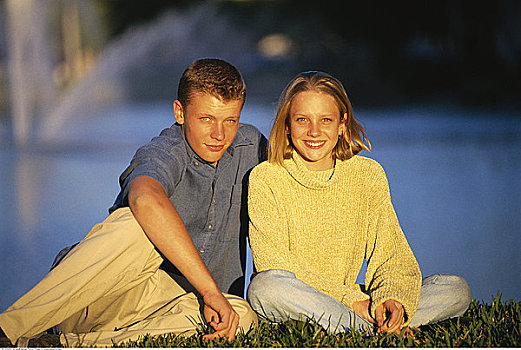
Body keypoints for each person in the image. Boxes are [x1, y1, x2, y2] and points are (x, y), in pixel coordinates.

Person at [0, 58, 266, 347]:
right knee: (134, 225)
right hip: (100, 297)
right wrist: (210, 290)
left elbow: (300, 157)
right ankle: (8, 330)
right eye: (206, 119)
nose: (219, 134)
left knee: (243, 317)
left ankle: (65, 345)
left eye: (230, 120)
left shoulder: (250, 146)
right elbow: (145, 199)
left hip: (173, 308)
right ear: (180, 113)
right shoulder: (164, 150)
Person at [246, 71, 470, 335]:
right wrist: (353, 302)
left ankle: (366, 325)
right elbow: (274, 266)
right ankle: (375, 330)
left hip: (351, 300)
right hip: (298, 298)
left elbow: (391, 255)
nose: (314, 131)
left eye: (325, 120)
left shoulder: (367, 175)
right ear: (287, 124)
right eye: (302, 120)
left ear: (342, 124)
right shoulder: (266, 178)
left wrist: (392, 300)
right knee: (265, 287)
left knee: (455, 289)